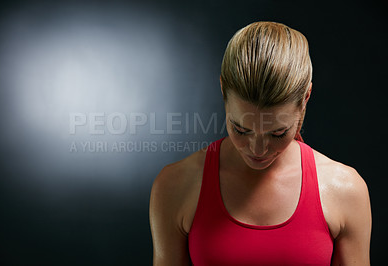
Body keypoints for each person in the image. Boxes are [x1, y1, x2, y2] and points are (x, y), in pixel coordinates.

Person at [149, 21, 372, 265]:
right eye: (241, 129)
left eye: (277, 133)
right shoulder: (175, 185)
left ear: (305, 98)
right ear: (223, 89)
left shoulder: (345, 191)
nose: (257, 150)